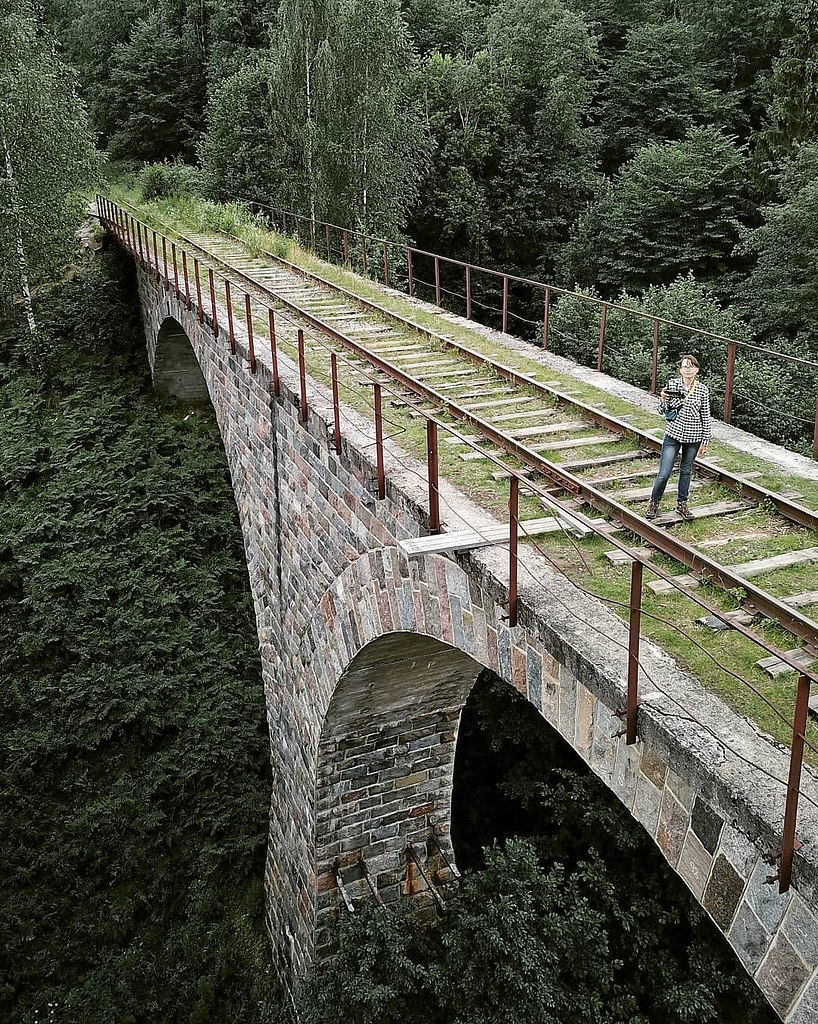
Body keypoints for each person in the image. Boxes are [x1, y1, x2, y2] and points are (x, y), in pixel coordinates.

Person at [645, 355, 711, 521]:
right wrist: (663, 400)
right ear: (680, 369)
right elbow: (662, 411)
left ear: (697, 369)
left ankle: (682, 503)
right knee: (664, 472)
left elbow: (706, 416)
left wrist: (705, 440)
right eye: (685, 366)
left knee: (686, 471)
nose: (688, 369)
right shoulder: (672, 384)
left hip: (693, 436)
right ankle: (654, 502)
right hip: (673, 434)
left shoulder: (702, 390)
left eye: (691, 366)